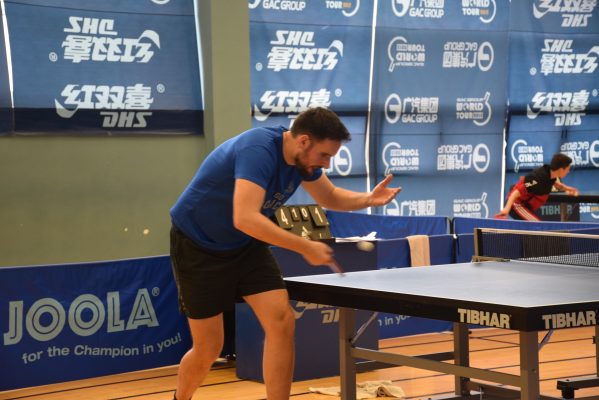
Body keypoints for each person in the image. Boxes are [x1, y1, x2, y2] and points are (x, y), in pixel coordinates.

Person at [169, 107, 401, 400]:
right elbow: (245, 217)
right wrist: (305, 246)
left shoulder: (303, 162)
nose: (326, 164)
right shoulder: (258, 151)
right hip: (199, 245)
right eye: (324, 155)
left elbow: (329, 196)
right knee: (209, 347)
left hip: (245, 246)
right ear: (304, 141)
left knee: (281, 320)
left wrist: (368, 199)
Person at [496, 153, 578, 221]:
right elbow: (516, 192)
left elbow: (555, 183)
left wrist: (568, 189)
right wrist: (506, 209)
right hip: (516, 204)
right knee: (537, 225)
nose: (568, 171)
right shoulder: (537, 178)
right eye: (568, 169)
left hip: (525, 206)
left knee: (536, 226)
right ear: (561, 169)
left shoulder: (550, 173)